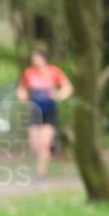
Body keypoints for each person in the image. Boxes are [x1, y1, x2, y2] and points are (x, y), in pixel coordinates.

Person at [16, 48, 73, 186]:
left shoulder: (54, 72)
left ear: (44, 59)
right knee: (35, 145)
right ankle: (48, 155)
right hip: (35, 112)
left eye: (36, 58)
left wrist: (59, 95)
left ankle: (41, 175)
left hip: (50, 112)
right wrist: (22, 97)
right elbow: (22, 88)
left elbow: (68, 87)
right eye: (33, 58)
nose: (34, 60)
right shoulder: (29, 73)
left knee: (44, 145)